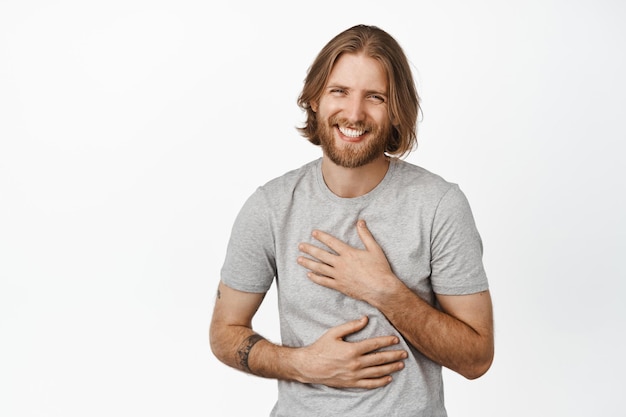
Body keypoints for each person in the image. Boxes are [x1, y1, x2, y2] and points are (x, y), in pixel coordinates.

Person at [209, 24, 494, 416]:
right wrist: (302, 363)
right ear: (314, 99)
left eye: (375, 97)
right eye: (339, 91)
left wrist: (385, 291)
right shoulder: (270, 207)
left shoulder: (439, 206)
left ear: (396, 112)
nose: (354, 114)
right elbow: (225, 332)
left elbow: (476, 358)